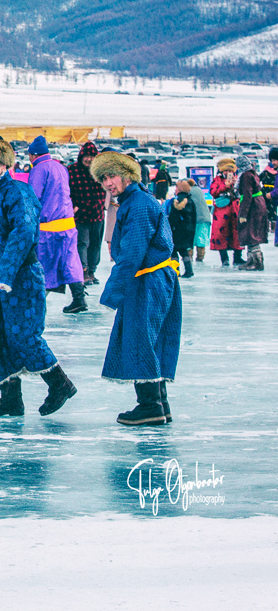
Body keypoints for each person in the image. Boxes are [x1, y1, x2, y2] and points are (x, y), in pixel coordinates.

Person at [0, 138, 77, 418]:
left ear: (5, 163)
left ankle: (60, 384)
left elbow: (24, 232)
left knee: (24, 335)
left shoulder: (18, 191)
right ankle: (11, 399)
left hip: (20, 277)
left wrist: (5, 273)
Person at [90, 152, 181, 426]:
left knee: (140, 338)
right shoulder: (134, 200)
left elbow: (132, 253)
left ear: (127, 175)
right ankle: (159, 404)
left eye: (112, 176)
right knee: (150, 339)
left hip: (147, 281)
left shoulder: (138, 205)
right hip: (151, 279)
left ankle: (150, 406)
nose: (108, 183)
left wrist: (111, 293)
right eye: (103, 178)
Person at [25, 136, 87, 314]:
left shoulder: (39, 170)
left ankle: (36, 302)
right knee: (70, 260)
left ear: (33, 155)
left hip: (49, 226)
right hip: (68, 223)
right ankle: (79, 298)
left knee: (45, 264)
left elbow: (34, 197)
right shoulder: (61, 167)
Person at [68, 141, 106, 285]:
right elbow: (65, 191)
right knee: (81, 243)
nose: (89, 159)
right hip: (80, 215)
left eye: (92, 156)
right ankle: (82, 271)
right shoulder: (72, 170)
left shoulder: (100, 170)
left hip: (97, 214)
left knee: (95, 244)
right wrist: (73, 206)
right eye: (86, 156)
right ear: (81, 156)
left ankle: (91, 271)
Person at [235, 154, 270, 270]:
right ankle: (251, 261)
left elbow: (247, 195)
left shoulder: (245, 176)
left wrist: (243, 214)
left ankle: (256, 262)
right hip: (258, 204)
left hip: (253, 207)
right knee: (253, 232)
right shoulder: (252, 173)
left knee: (251, 233)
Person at [209, 158, 243, 266]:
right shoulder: (217, 180)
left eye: (230, 171)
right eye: (226, 171)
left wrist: (235, 185)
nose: (228, 173)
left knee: (237, 232)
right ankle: (224, 258)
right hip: (221, 211)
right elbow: (213, 192)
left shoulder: (238, 179)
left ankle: (237, 257)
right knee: (220, 233)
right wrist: (225, 186)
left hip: (235, 209)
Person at [168, 180, 196, 278]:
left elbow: (173, 217)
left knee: (174, 250)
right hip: (188, 230)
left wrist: (169, 228)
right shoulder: (190, 200)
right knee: (183, 250)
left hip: (177, 230)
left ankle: (176, 271)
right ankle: (189, 270)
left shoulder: (177, 201)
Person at [187, 178, 212, 263]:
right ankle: (200, 257)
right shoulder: (198, 190)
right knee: (201, 238)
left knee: (190, 238)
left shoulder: (188, 191)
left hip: (193, 219)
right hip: (205, 218)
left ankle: (189, 257)